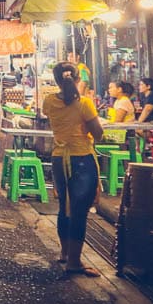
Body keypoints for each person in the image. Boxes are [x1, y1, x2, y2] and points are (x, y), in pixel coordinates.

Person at [43, 61, 106, 277]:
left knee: (64, 206)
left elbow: (52, 117)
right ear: (78, 79)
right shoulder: (85, 104)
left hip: (59, 158)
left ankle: (65, 253)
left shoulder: (49, 101)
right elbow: (98, 134)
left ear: (56, 80)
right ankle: (75, 262)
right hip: (81, 159)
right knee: (79, 211)